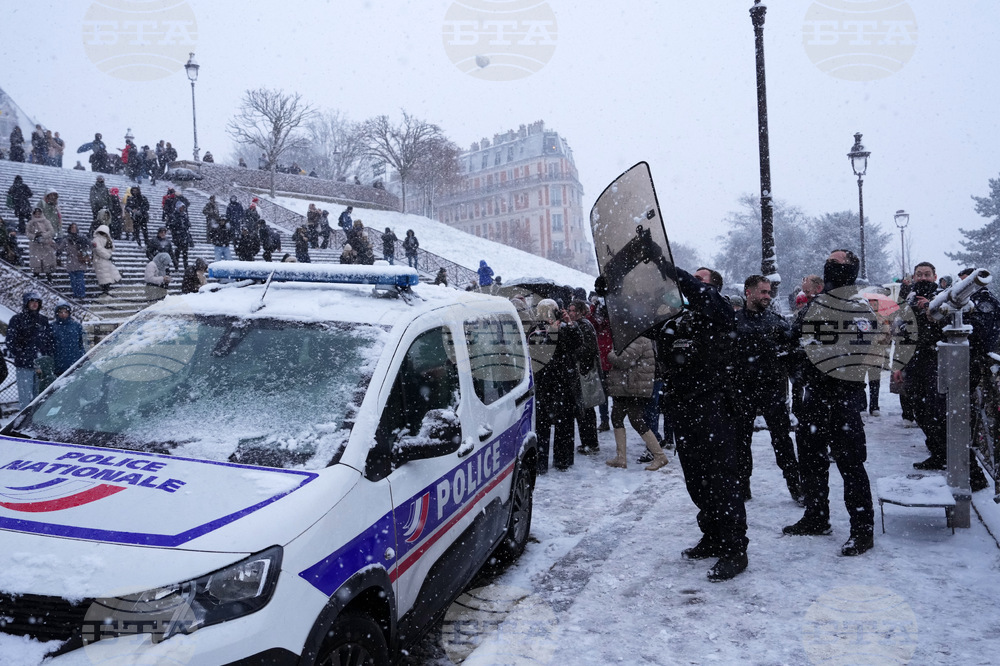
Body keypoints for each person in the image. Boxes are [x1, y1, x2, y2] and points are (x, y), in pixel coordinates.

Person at [648, 265, 748, 581]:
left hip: (714, 405)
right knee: (696, 478)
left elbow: (698, 291)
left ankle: (735, 549)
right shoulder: (673, 320)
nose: (691, 281)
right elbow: (637, 324)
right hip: (683, 406)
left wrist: (670, 268)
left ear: (712, 288)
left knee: (721, 478)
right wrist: (616, 292)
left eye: (699, 278)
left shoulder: (719, 311)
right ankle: (713, 536)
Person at [783, 249, 876, 557]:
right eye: (829, 261)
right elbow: (795, 340)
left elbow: (855, 352)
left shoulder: (858, 307)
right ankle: (816, 516)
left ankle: (862, 531)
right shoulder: (814, 305)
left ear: (849, 270)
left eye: (837, 263)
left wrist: (813, 353)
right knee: (810, 461)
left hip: (843, 398)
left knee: (851, 466)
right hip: (812, 397)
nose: (830, 266)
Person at [732, 275, 802, 503]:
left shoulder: (777, 322)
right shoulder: (734, 321)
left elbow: (793, 353)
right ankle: (742, 486)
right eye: (762, 292)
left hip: (773, 389)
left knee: (782, 439)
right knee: (740, 440)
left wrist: (797, 379)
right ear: (748, 292)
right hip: (742, 389)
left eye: (769, 292)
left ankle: (795, 485)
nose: (767, 296)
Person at [603, 333, 669, 470]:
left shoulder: (640, 338)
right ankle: (621, 458)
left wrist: (611, 354)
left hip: (634, 387)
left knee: (636, 420)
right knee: (616, 417)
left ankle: (660, 456)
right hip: (626, 387)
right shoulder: (629, 337)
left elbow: (623, 360)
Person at [531, 299, 582, 473]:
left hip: (564, 381)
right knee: (542, 424)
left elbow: (578, 343)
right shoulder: (536, 329)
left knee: (565, 423)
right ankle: (540, 463)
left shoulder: (564, 327)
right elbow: (539, 353)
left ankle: (563, 460)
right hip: (545, 383)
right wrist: (551, 333)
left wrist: (570, 323)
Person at [6, 292, 55, 409]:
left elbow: (49, 340)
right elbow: (10, 341)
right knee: (25, 397)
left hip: (41, 364)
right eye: (32, 301)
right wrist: (21, 354)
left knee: (40, 395)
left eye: (37, 302)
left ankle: (36, 420)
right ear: (26, 303)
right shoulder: (17, 319)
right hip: (24, 364)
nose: (34, 304)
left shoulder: (43, 320)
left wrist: (47, 356)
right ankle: (24, 421)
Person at [567, 299, 601, 456]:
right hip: (581, 371)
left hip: (583, 372)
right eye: (570, 310)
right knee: (584, 409)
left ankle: (590, 443)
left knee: (586, 409)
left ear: (580, 311)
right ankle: (588, 442)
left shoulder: (584, 326)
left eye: (573, 310)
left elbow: (588, 349)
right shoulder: (582, 325)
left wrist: (572, 353)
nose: (570, 313)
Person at [52, 303, 85, 376]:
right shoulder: (52, 327)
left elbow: (81, 344)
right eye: (61, 312)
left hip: (74, 362)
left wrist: (83, 358)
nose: (63, 314)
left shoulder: (76, 326)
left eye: (65, 312)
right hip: (58, 364)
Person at [61, 223, 91, 299]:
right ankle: (76, 294)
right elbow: (60, 248)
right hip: (71, 262)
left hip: (79, 262)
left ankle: (81, 294)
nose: (74, 229)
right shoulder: (66, 239)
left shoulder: (82, 238)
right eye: (72, 228)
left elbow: (88, 247)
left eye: (75, 227)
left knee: (79, 280)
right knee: (73, 281)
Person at [26, 207, 57, 282]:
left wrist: (43, 235)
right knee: (36, 262)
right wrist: (35, 237)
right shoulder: (30, 223)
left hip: (46, 244)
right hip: (35, 245)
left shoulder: (46, 221)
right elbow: (27, 233)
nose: (37, 215)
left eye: (39, 213)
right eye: (36, 213)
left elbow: (51, 231)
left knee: (47, 261)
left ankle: (49, 277)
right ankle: (36, 275)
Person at [91, 224, 121, 297]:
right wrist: (108, 255)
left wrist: (109, 238)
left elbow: (113, 248)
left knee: (108, 276)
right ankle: (105, 291)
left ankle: (106, 291)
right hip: (100, 260)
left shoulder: (107, 239)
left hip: (106, 261)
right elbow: (98, 250)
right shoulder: (96, 239)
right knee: (104, 277)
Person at [168, 203, 192, 270]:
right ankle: (176, 266)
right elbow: (170, 225)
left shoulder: (185, 215)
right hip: (177, 237)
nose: (182, 209)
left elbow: (187, 224)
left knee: (185, 254)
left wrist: (187, 224)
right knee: (177, 253)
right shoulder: (174, 215)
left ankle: (186, 267)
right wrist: (177, 226)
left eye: (183, 208)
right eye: (181, 207)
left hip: (184, 236)